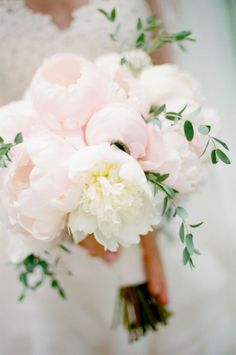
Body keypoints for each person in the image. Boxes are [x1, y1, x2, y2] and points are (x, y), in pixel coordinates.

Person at [0, 1, 233, 354]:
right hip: (33, 225)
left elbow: (170, 101)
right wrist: (62, 209)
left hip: (149, 226)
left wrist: (146, 209)